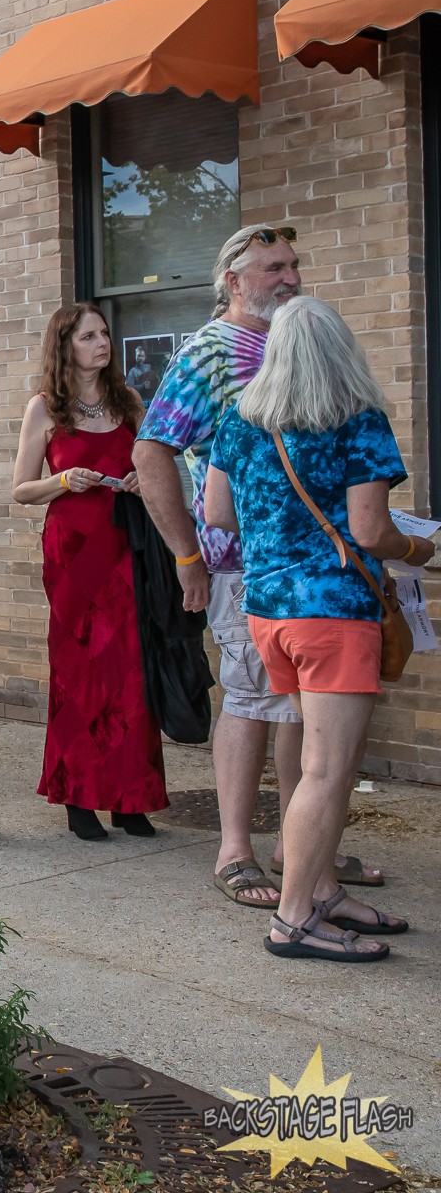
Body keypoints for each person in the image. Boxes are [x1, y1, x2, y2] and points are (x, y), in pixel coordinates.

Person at [130, 225, 377, 907]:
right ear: (234, 281)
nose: (290, 277)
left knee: (298, 710)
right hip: (245, 569)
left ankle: (302, 847)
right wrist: (187, 555)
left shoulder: (291, 342)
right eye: (274, 268)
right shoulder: (210, 352)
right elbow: (151, 451)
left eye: (294, 265)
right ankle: (234, 849)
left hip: (310, 572)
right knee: (250, 701)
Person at [203, 296, 426, 961]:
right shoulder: (358, 420)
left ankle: (323, 892)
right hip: (332, 615)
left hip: (268, 610)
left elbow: (217, 513)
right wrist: (419, 549)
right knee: (329, 771)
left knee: (323, 764)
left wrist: (283, 533)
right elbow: (371, 530)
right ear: (340, 349)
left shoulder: (240, 420)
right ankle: (294, 919)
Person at [12, 304, 168, 839]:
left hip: (125, 546)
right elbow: (21, 489)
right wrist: (64, 480)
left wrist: (142, 481)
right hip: (74, 553)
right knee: (79, 672)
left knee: (130, 670)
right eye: (88, 336)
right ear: (65, 346)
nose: (102, 343)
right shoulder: (45, 408)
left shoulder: (130, 402)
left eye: (104, 333)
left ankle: (130, 799)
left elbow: (157, 469)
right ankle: (78, 797)